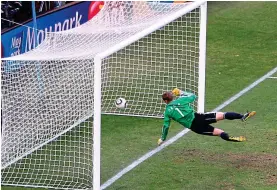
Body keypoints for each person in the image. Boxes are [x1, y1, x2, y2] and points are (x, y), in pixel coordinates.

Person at [157, 88, 256, 145]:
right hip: (199, 118)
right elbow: (193, 96)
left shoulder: (167, 112)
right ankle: (242, 116)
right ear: (172, 97)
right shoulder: (181, 100)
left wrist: (162, 138)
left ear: (165, 101)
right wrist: (181, 92)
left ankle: (232, 138)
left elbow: (166, 126)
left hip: (195, 127)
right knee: (223, 115)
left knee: (219, 132)